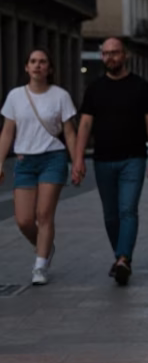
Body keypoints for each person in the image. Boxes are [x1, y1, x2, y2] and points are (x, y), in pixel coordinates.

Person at [72, 38, 148, 286]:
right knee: (111, 215)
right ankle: (120, 257)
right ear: (102, 57)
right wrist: (78, 159)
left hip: (133, 159)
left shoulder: (141, 87)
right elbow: (85, 125)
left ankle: (123, 258)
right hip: (103, 161)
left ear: (125, 55)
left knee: (127, 210)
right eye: (106, 53)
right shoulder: (95, 89)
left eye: (115, 53)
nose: (111, 57)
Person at [0, 48, 78, 285]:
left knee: (44, 214)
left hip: (53, 158)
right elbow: (7, 133)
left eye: (43, 62)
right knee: (24, 220)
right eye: (33, 61)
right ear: (26, 67)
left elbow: (70, 133)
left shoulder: (60, 96)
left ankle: (40, 266)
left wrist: (77, 162)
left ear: (49, 69)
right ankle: (44, 246)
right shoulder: (15, 96)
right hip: (25, 162)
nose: (37, 65)